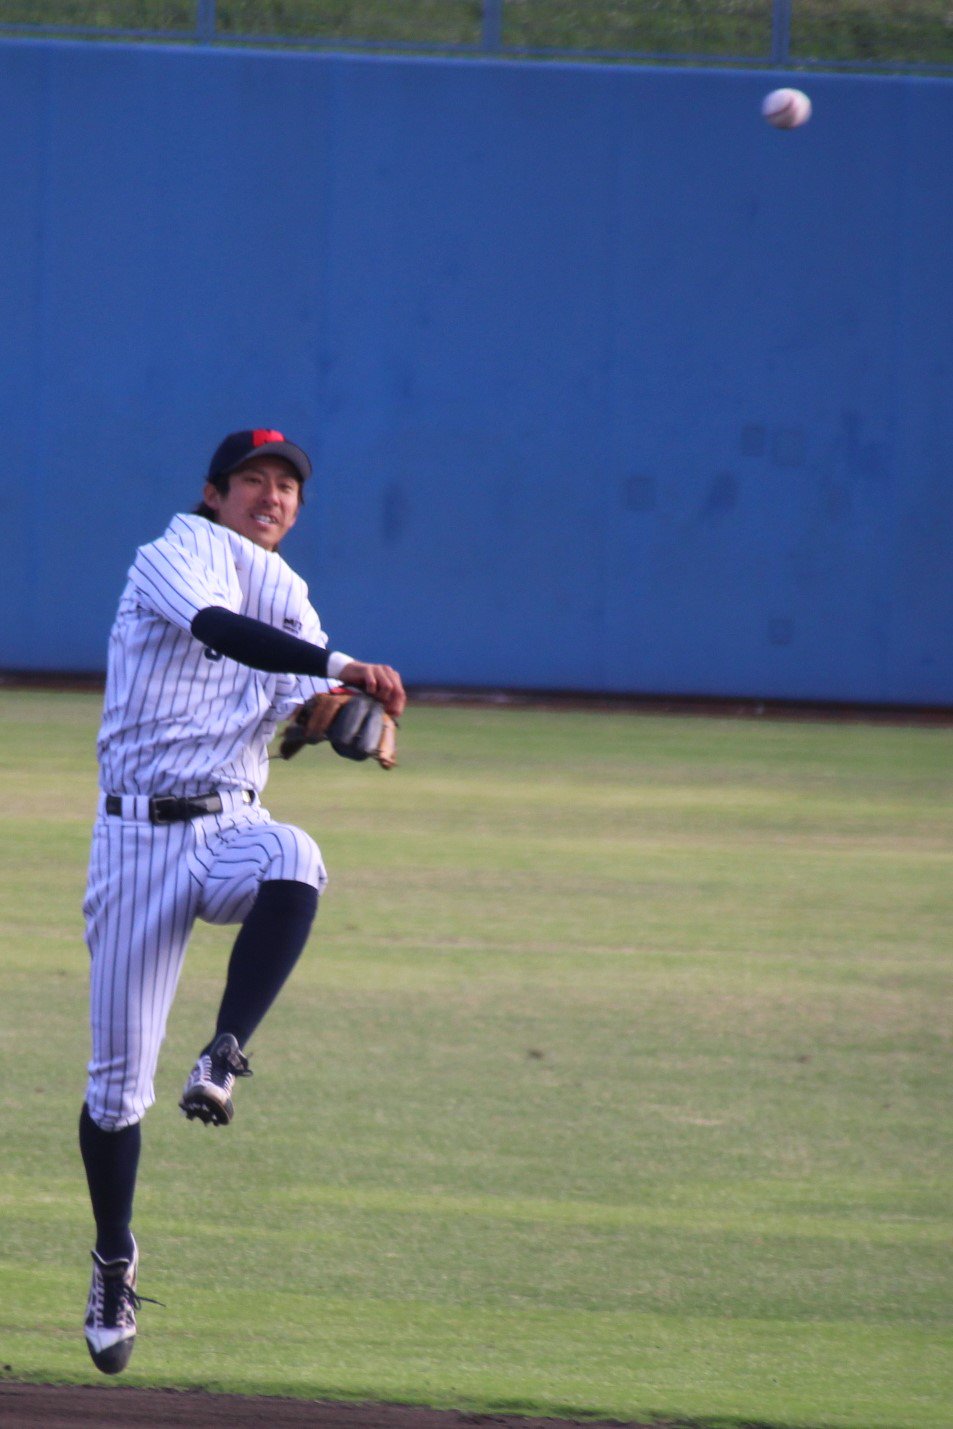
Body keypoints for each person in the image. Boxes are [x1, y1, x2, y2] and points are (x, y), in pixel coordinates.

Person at [79, 428, 405, 1375]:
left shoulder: (294, 598)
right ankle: (113, 1259)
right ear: (215, 493)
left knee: (297, 855)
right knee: (113, 1096)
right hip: (137, 839)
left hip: (227, 826)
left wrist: (342, 719)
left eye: (287, 485)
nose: (273, 495)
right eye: (255, 479)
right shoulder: (175, 552)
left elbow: (293, 717)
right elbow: (220, 631)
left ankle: (224, 1053)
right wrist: (341, 665)